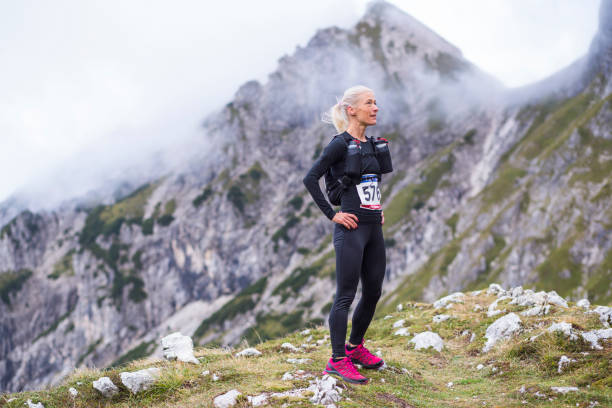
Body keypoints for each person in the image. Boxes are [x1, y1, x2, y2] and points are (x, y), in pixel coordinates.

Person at [302, 85, 391, 384]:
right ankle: (337, 360)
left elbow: (368, 184)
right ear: (352, 109)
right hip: (350, 231)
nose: (375, 107)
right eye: (369, 102)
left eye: (376, 102)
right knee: (345, 296)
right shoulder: (339, 144)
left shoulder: (371, 143)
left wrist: (377, 207)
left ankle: (354, 348)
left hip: (373, 228)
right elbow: (310, 178)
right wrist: (332, 214)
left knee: (374, 291)